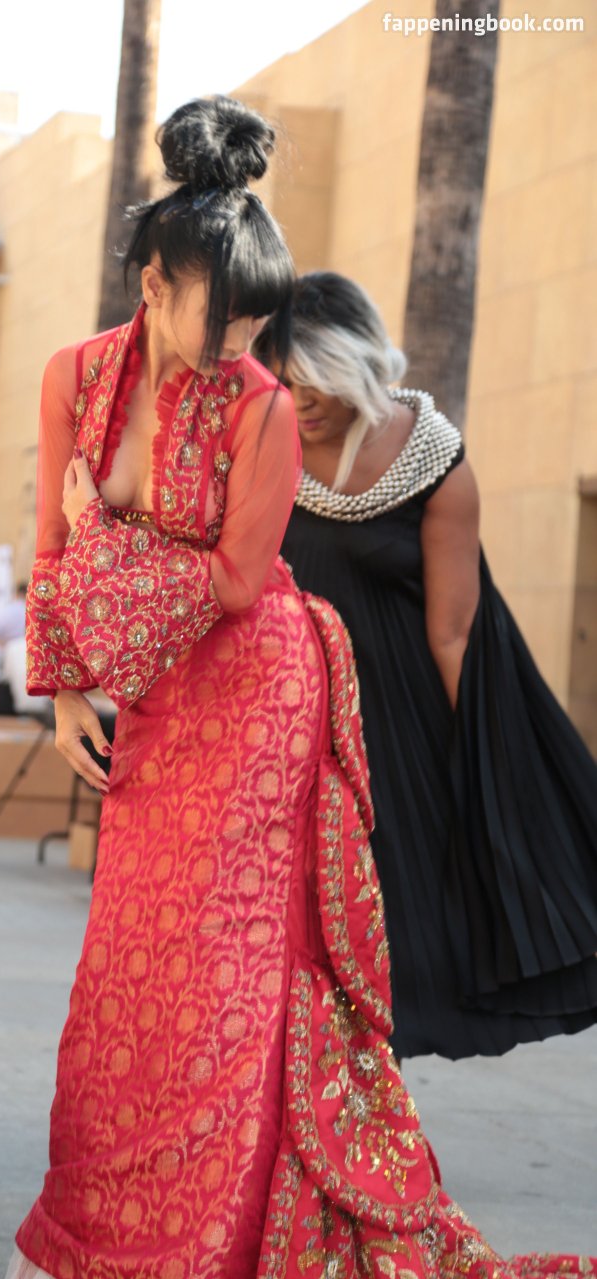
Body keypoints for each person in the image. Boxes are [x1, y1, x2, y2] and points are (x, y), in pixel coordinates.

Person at [9, 99, 594, 1279]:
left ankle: (218, 1232)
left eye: (256, 324)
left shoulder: (260, 402)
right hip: (159, 707)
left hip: (263, 695)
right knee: (134, 971)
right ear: (155, 283)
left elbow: (234, 581)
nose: (240, 346)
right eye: (224, 316)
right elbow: (51, 542)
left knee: (232, 969)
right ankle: (112, 1226)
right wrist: (64, 686)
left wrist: (104, 541)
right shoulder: (73, 375)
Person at [254, 271, 597, 1062]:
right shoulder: (261, 438)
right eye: (285, 378)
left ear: (360, 367)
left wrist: (475, 769)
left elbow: (453, 633)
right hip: (282, 717)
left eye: (318, 380)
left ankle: (359, 1100)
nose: (301, 399)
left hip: (391, 724)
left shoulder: (434, 461)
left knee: (394, 925)